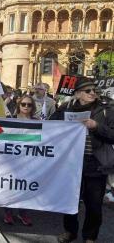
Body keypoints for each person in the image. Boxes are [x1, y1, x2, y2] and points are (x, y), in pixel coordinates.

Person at [50, 77, 114, 243]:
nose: (92, 93)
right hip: (71, 165)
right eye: (88, 91)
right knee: (70, 202)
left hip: (95, 164)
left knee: (94, 205)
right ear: (77, 94)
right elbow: (50, 127)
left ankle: (90, 237)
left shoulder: (106, 110)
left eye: (94, 90)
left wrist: (96, 127)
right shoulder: (65, 109)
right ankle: (70, 232)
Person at [3, 95, 36, 226]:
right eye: (23, 104)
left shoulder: (37, 121)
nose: (26, 107)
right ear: (19, 105)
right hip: (13, 161)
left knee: (25, 187)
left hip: (30, 161)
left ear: (33, 107)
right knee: (10, 187)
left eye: (29, 105)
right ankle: (8, 213)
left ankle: (23, 213)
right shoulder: (12, 120)